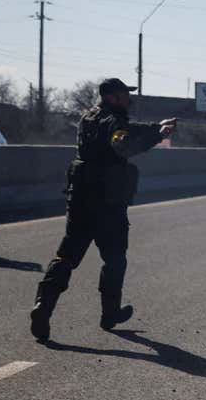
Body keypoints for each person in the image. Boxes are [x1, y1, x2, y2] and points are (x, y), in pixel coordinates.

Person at [29, 78, 177, 342]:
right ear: (112, 97)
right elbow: (125, 145)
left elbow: (126, 130)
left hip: (79, 201)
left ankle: (44, 305)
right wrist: (157, 136)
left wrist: (157, 128)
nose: (128, 99)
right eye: (124, 95)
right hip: (106, 203)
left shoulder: (89, 118)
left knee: (66, 256)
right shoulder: (113, 122)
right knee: (115, 258)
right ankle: (109, 314)